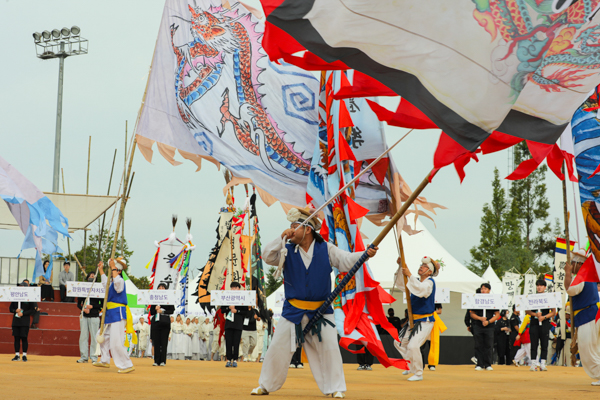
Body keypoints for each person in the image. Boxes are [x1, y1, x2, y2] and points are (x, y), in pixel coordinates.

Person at [251, 207, 378, 398]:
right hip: (292, 311)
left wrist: (365, 254)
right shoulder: (287, 249)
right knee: (277, 348)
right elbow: (267, 255)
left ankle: (335, 388)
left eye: (295, 226)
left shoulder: (326, 248)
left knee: (329, 348)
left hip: (321, 312)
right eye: (290, 226)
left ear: (308, 229)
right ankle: (266, 385)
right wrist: (281, 237)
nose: (291, 230)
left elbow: (345, 260)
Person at [394, 256, 442, 382]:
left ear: (430, 271)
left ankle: (419, 372)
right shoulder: (414, 281)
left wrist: (409, 273)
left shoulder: (430, 282)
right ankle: (410, 366)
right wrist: (401, 267)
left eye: (425, 266)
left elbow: (421, 291)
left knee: (413, 345)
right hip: (412, 320)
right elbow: (401, 285)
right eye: (421, 265)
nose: (421, 267)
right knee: (398, 342)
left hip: (425, 321)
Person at [93, 258, 136, 374]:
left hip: (118, 313)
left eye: (114, 270)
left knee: (116, 342)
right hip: (110, 314)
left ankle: (126, 365)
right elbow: (104, 283)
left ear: (118, 270)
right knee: (101, 336)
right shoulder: (111, 282)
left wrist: (113, 267)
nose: (112, 272)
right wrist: (101, 270)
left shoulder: (120, 281)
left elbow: (118, 286)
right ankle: (105, 360)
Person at [565, 258, 600, 385]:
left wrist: (567, 273)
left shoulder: (583, 275)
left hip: (588, 316)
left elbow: (569, 289)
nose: (571, 265)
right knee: (595, 348)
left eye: (572, 263)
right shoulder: (588, 275)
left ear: (579, 264)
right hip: (592, 315)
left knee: (588, 349)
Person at [526, 279, 556, 371]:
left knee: (544, 344)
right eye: (537, 285)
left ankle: (543, 363)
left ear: (545, 287)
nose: (539, 287)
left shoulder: (549, 298)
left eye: (541, 285)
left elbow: (553, 312)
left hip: (544, 323)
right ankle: (533, 363)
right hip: (534, 323)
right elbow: (527, 310)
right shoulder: (532, 297)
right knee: (534, 344)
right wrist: (535, 314)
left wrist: (544, 317)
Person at [470, 283, 500, 371]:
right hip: (478, 326)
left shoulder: (493, 300)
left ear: (489, 291)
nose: (483, 290)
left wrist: (489, 321)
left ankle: (488, 364)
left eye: (485, 289)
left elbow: (497, 314)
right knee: (478, 345)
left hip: (489, 326)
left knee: (488, 345)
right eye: (482, 289)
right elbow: (472, 313)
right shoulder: (476, 299)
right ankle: (479, 364)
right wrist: (480, 318)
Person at [221, 281, 250, 368]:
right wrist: (228, 308)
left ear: (239, 288)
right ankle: (228, 359)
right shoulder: (227, 298)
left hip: (238, 324)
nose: (233, 289)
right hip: (229, 324)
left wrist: (237, 311)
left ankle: (235, 360)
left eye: (235, 287)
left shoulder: (243, 298)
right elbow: (222, 309)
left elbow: (246, 312)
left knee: (236, 342)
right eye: (232, 287)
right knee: (228, 342)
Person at [76, 272, 103, 363]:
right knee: (83, 336)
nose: (92, 277)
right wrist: (83, 309)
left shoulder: (99, 289)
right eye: (90, 276)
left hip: (94, 316)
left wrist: (93, 307)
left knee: (94, 337)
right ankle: (83, 357)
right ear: (87, 278)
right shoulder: (83, 289)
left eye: (94, 276)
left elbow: (102, 304)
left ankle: (94, 357)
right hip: (84, 316)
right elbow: (78, 304)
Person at [10, 280, 37, 362]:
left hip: (24, 321)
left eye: (22, 286)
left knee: (24, 338)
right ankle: (17, 355)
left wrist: (23, 313)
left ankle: (24, 355)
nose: (20, 287)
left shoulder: (30, 298)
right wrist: (15, 310)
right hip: (16, 321)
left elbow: (32, 310)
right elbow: (10, 308)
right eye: (19, 286)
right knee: (16, 338)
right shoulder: (15, 297)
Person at [149, 283, 174, 366]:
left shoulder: (169, 299)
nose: (161, 288)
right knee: (156, 342)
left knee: (163, 342)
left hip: (165, 323)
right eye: (159, 287)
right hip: (156, 323)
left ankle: (163, 360)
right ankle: (156, 360)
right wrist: (156, 310)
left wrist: (162, 311)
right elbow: (151, 312)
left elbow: (172, 310)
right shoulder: (154, 299)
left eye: (163, 287)